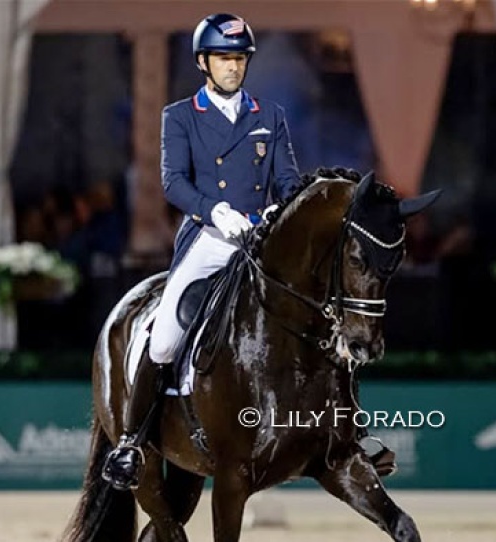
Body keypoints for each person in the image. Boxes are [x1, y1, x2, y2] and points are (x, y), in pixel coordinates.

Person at [102, 13, 394, 491]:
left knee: (326, 321)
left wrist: (280, 209)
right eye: (223, 59)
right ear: (203, 62)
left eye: (238, 59)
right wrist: (214, 212)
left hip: (261, 239)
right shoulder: (179, 117)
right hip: (209, 239)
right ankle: (132, 443)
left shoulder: (269, 116)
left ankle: (350, 435)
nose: (233, 68)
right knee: (163, 338)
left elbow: (286, 180)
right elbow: (174, 181)